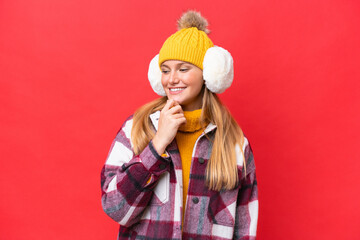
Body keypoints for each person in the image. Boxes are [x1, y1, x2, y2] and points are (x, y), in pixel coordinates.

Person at [101, 10, 258, 240]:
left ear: (209, 75)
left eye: (183, 69)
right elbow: (115, 207)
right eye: (165, 71)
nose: (171, 79)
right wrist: (156, 146)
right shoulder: (137, 127)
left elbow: (245, 229)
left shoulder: (235, 144)